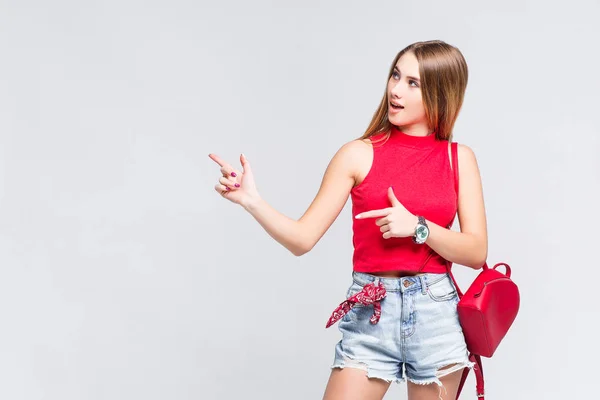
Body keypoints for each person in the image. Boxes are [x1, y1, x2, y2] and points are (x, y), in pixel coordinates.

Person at [208, 40, 487, 400]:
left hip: (435, 312)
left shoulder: (458, 159)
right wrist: (252, 201)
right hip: (371, 310)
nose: (396, 89)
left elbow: (476, 251)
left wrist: (418, 227)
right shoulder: (357, 154)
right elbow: (301, 239)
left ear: (440, 91)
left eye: (412, 83)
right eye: (396, 75)